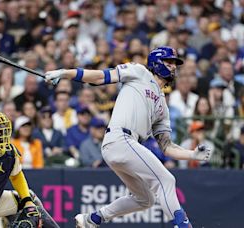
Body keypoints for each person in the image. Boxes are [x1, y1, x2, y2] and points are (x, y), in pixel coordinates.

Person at [44, 46, 211, 228]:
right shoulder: (139, 72)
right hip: (120, 139)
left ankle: (92, 219)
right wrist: (64, 73)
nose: (173, 67)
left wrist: (192, 154)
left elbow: (166, 146)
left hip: (125, 146)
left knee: (145, 199)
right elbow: (100, 77)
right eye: (168, 62)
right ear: (156, 63)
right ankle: (183, 225)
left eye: (174, 63)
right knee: (166, 180)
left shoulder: (162, 104)